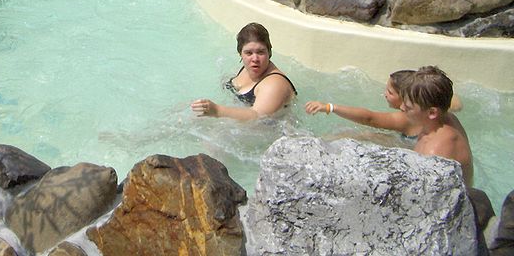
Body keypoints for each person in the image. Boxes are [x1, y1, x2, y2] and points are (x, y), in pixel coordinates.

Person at [305, 69, 464, 139]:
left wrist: (329, 107)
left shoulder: (407, 119)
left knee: (354, 135)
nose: (385, 94)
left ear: (405, 97)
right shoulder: (440, 111)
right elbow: (455, 102)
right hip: (411, 135)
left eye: (390, 92)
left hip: (408, 143)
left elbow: (369, 118)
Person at [191, 23, 297, 121]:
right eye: (249, 53)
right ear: (240, 53)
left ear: (269, 52)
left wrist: (217, 111)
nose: (255, 59)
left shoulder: (275, 83)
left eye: (260, 52)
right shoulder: (247, 68)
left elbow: (257, 116)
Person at [401, 66, 473, 185]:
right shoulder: (443, 119)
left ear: (432, 113)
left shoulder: (434, 153)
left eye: (408, 107)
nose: (401, 108)